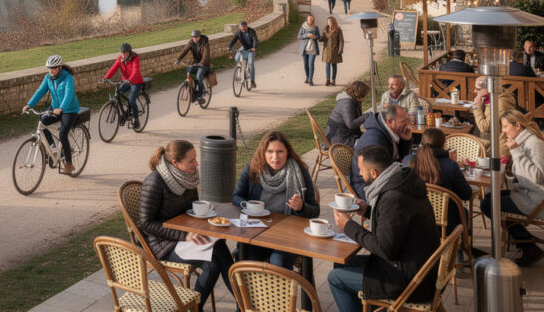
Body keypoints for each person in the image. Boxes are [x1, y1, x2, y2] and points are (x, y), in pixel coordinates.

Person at [327, 145, 442, 312]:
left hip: (410, 280)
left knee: (335, 278)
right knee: (341, 264)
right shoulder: (401, 182)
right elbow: (397, 223)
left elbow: (384, 248)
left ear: (374, 173)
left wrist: (348, 226)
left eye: (361, 170)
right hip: (414, 267)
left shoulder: (393, 197)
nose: (360, 174)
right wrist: (368, 210)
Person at [138, 141, 234, 311]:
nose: (196, 163)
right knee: (213, 263)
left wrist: (207, 221)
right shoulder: (154, 182)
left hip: (184, 236)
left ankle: (240, 304)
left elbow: (192, 208)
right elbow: (146, 223)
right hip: (162, 244)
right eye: (191, 160)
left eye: (195, 158)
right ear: (175, 163)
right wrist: (184, 235)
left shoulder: (188, 177)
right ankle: (241, 304)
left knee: (219, 245)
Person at [480, 110, 544, 266]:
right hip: (531, 195)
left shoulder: (533, 144)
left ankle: (528, 245)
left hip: (538, 202)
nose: (503, 131)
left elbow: (537, 176)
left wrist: (515, 151)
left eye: (505, 126)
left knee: (488, 204)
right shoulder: (525, 141)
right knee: (490, 198)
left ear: (518, 126)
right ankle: (523, 239)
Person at [233, 131, 318, 269]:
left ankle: (280, 284)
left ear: (287, 152)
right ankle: (253, 285)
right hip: (258, 232)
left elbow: (315, 211)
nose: (275, 157)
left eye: (280, 152)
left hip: (288, 236)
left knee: (278, 264)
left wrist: (301, 208)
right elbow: (236, 197)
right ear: (263, 152)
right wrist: (248, 205)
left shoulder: (300, 171)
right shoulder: (253, 168)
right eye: (270, 151)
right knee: (248, 261)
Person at [403, 128, 473, 230]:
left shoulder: (408, 161)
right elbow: (467, 194)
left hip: (415, 224)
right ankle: (464, 239)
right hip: (446, 227)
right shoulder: (450, 166)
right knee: (463, 212)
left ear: (421, 143)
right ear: (444, 144)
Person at [23, 55, 80, 174]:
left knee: (62, 133)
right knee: (43, 122)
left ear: (60, 67)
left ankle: (69, 163)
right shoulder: (48, 77)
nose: (51, 70)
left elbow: (69, 94)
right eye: (49, 68)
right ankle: (53, 149)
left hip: (69, 109)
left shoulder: (67, 77)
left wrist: (62, 108)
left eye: (53, 68)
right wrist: (29, 105)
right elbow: (40, 91)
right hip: (55, 108)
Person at [350, 105, 413, 199]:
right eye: (403, 121)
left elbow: (399, 158)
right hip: (366, 187)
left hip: (381, 179)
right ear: (390, 121)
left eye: (407, 119)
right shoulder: (375, 140)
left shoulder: (388, 131)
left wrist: (405, 141)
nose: (407, 123)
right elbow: (377, 176)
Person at [471, 80, 517, 158]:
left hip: (497, 147)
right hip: (491, 140)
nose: (475, 91)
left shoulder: (499, 104)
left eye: (478, 89)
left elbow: (484, 127)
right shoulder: (492, 98)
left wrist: (477, 108)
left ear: (488, 88)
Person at [104, 43, 144, 130]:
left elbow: (135, 71)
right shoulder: (120, 59)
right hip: (126, 82)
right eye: (122, 53)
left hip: (136, 82)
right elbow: (113, 68)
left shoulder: (135, 58)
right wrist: (106, 77)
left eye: (125, 53)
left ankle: (136, 120)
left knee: (131, 100)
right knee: (118, 93)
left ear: (129, 52)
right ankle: (125, 112)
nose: (123, 55)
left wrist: (129, 79)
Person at [325, 80, 371, 148]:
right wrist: (366, 116)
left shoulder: (354, 101)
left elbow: (356, 121)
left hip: (345, 135)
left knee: (371, 138)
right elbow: (351, 124)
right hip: (339, 140)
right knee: (370, 145)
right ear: (359, 94)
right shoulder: (347, 103)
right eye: (364, 96)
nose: (365, 99)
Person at [176, 29, 212, 100]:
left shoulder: (205, 43)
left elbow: (206, 55)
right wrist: (178, 59)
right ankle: (192, 91)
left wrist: (201, 63)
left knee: (198, 77)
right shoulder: (191, 42)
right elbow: (185, 50)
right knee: (189, 70)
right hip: (196, 63)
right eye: (193, 37)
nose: (195, 39)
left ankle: (201, 94)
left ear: (199, 37)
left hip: (204, 64)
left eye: (196, 37)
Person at [228, 21, 258, 88]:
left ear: (247, 26)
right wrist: (229, 46)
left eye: (244, 29)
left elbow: (255, 39)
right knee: (237, 58)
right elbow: (233, 40)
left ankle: (252, 81)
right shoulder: (239, 32)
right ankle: (241, 69)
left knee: (250, 64)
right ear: (240, 28)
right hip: (244, 47)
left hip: (251, 48)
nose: (243, 30)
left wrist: (254, 47)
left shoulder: (251, 31)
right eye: (242, 29)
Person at [321, 16, 344, 86]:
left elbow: (341, 41)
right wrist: (322, 35)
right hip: (327, 50)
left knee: (334, 65)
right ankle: (328, 79)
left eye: (330, 21)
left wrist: (340, 50)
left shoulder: (338, 30)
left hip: (335, 50)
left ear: (333, 22)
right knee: (327, 65)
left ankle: (333, 80)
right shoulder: (325, 29)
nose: (329, 23)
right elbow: (322, 39)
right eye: (328, 21)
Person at [298, 15, 320, 85]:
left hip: (313, 49)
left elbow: (319, 36)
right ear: (307, 20)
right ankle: (307, 77)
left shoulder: (316, 27)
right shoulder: (303, 27)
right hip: (305, 49)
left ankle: (311, 79)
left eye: (312, 20)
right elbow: (299, 36)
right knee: (305, 64)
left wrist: (315, 37)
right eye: (309, 19)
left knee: (311, 64)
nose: (311, 21)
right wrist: (306, 35)